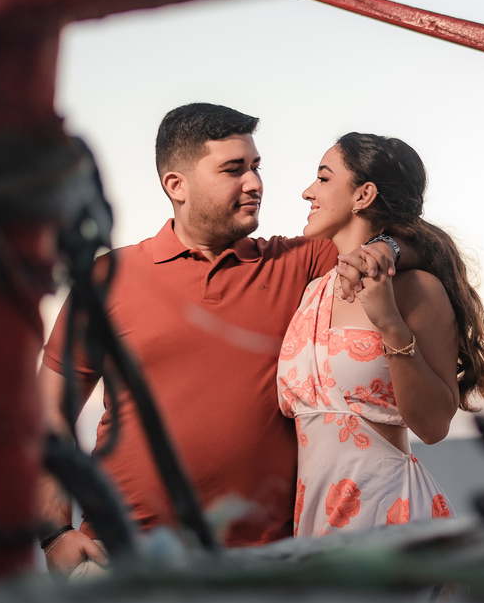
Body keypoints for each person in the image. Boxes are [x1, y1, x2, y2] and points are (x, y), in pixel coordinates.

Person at [36, 104, 397, 575]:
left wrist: (387, 248)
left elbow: (398, 231)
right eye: (233, 170)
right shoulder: (107, 278)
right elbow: (48, 411)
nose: (254, 183)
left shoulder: (299, 263)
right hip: (121, 561)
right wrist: (54, 533)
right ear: (176, 185)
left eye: (255, 167)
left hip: (266, 566)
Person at [277, 133, 484, 536]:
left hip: (392, 516)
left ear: (363, 195)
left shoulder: (418, 290)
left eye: (324, 179)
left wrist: (390, 323)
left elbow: (433, 427)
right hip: (317, 525)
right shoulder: (314, 292)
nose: (308, 191)